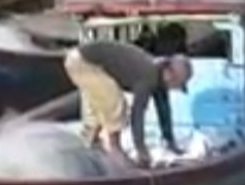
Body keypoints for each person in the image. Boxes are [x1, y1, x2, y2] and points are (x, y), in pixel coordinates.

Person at [62, 40, 193, 168]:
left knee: (103, 103)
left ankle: (94, 144)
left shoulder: (159, 77)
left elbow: (164, 110)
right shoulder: (149, 74)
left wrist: (170, 143)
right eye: (177, 85)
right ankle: (113, 147)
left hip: (84, 61)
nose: (174, 88)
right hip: (83, 62)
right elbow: (137, 113)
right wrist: (141, 150)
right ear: (169, 74)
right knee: (115, 103)